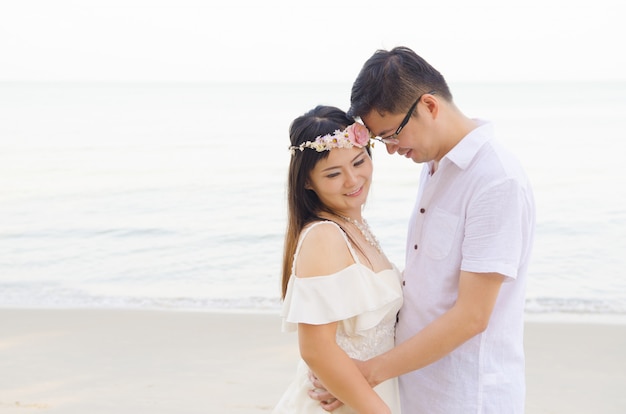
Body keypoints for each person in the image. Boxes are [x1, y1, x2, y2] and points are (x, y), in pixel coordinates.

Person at [310, 47, 536, 413]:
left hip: (467, 395)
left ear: (429, 106)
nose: (391, 149)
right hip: (416, 386)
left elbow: (472, 316)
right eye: (381, 140)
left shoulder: (495, 181)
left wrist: (368, 373)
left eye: (392, 134)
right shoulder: (433, 165)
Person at [271, 105, 403, 414]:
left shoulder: (354, 226)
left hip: (366, 395)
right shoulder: (324, 236)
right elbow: (317, 350)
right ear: (307, 182)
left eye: (359, 161)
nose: (353, 180)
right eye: (333, 174)